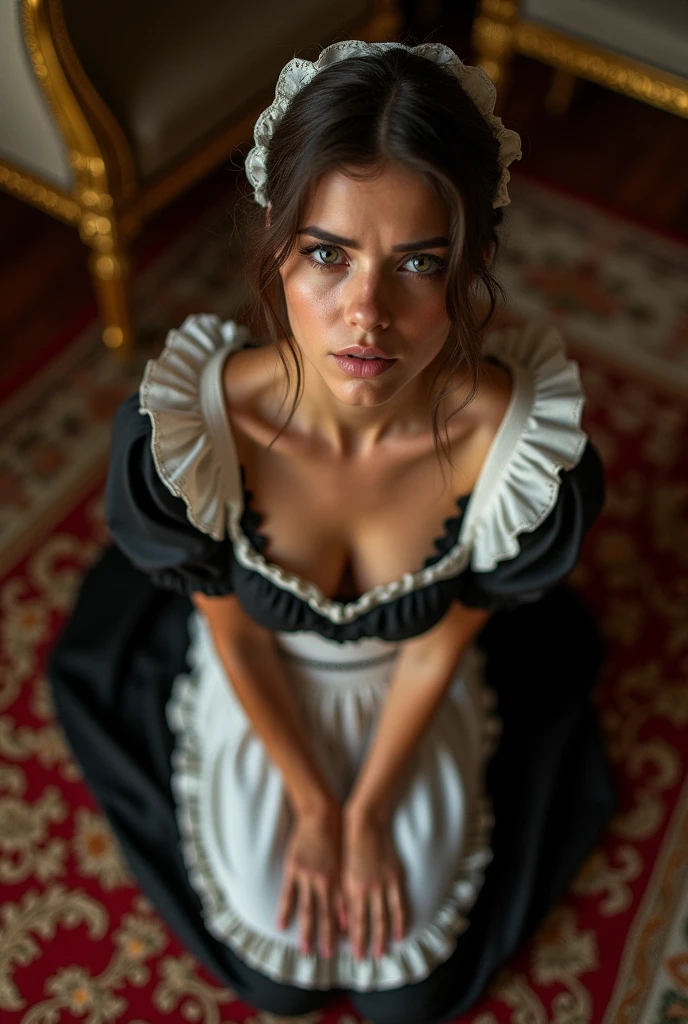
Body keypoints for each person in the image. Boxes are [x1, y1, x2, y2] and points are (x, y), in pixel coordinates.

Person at [48, 39, 617, 1024]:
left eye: (417, 263)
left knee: (413, 995)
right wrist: (312, 806)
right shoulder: (193, 435)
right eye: (327, 253)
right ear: (274, 239)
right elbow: (229, 626)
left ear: (472, 260)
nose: (366, 314)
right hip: (257, 672)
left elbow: (441, 641)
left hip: (412, 687)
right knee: (279, 979)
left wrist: (369, 811)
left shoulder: (518, 452)